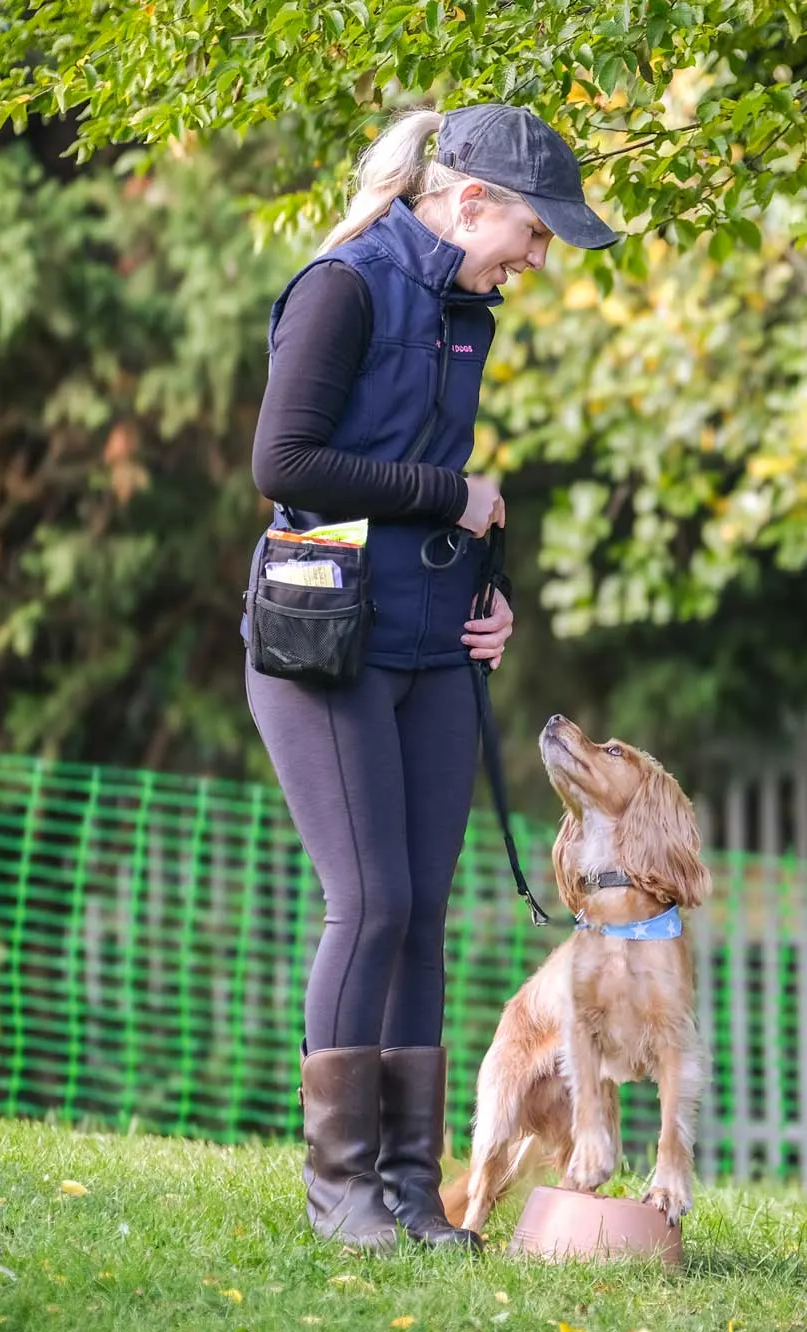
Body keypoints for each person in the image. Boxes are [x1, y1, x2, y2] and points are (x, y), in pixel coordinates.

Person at [242, 102, 619, 1252]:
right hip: (324, 638)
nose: (536, 257)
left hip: (432, 641)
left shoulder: (464, 312)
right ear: (468, 202)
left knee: (422, 915)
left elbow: (430, 489)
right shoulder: (342, 287)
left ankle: (412, 1192)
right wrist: (452, 497)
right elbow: (284, 462)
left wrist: (484, 591)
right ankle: (341, 1192)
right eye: (533, 231)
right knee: (371, 904)